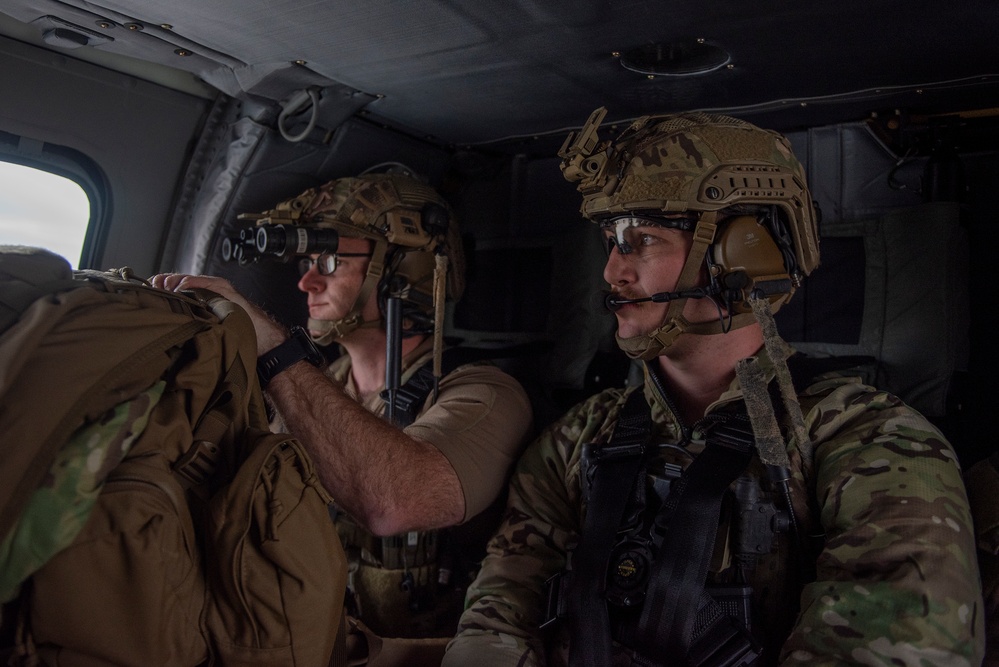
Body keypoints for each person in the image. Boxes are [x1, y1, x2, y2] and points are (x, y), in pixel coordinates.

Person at [444, 108, 985, 666]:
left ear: (742, 254)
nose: (611, 272)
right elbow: (498, 613)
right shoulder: (577, 439)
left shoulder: (872, 442)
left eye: (639, 238)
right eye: (610, 238)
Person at [152, 172, 534, 649]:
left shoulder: (484, 393)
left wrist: (275, 349)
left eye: (330, 262)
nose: (307, 281)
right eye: (308, 262)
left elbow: (393, 502)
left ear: (402, 272)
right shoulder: (313, 386)